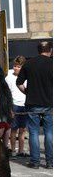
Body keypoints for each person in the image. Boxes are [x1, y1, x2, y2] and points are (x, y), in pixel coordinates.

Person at [17, 41, 53, 169]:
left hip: (33, 103)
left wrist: (27, 92)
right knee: (49, 132)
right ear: (50, 50)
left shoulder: (29, 64)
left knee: (33, 132)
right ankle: (50, 162)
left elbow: (19, 83)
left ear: (38, 50)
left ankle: (35, 161)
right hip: (50, 103)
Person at [6, 56, 28, 157]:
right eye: (15, 66)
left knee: (22, 130)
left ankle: (21, 150)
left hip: (24, 105)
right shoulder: (9, 77)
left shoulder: (26, 76)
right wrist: (10, 108)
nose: (16, 68)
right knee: (13, 129)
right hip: (14, 105)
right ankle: (13, 150)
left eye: (18, 67)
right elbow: (7, 93)